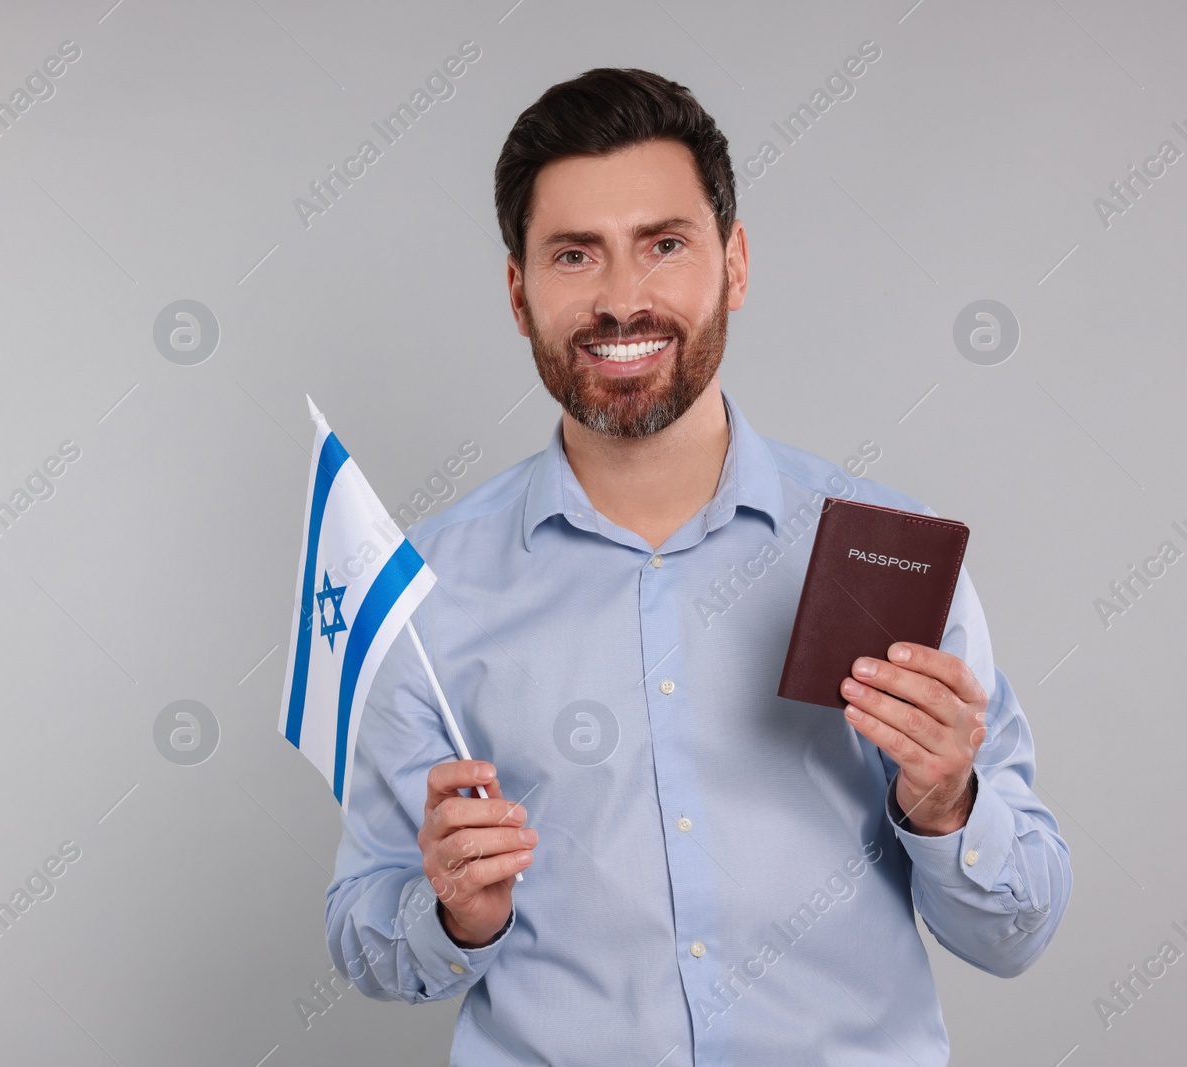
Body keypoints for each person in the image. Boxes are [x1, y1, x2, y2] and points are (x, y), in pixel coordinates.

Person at [324, 67, 1071, 1065]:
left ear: (735, 262)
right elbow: (364, 929)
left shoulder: (888, 553)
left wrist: (948, 804)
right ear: (519, 292)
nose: (621, 299)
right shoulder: (423, 592)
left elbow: (1014, 931)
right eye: (574, 254)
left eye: (663, 245)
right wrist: (453, 915)